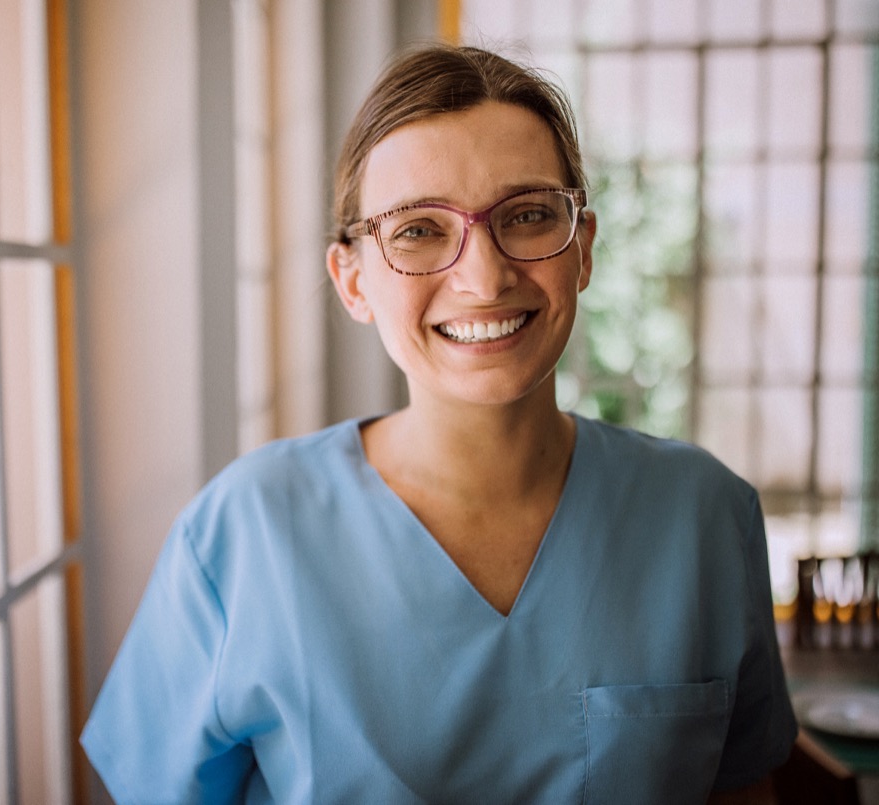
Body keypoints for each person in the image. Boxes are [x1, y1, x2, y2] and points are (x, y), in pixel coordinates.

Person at [81, 44, 797, 803]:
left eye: (525, 216)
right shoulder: (244, 532)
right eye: (419, 229)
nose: (484, 278)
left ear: (581, 249)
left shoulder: (705, 515)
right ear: (352, 279)